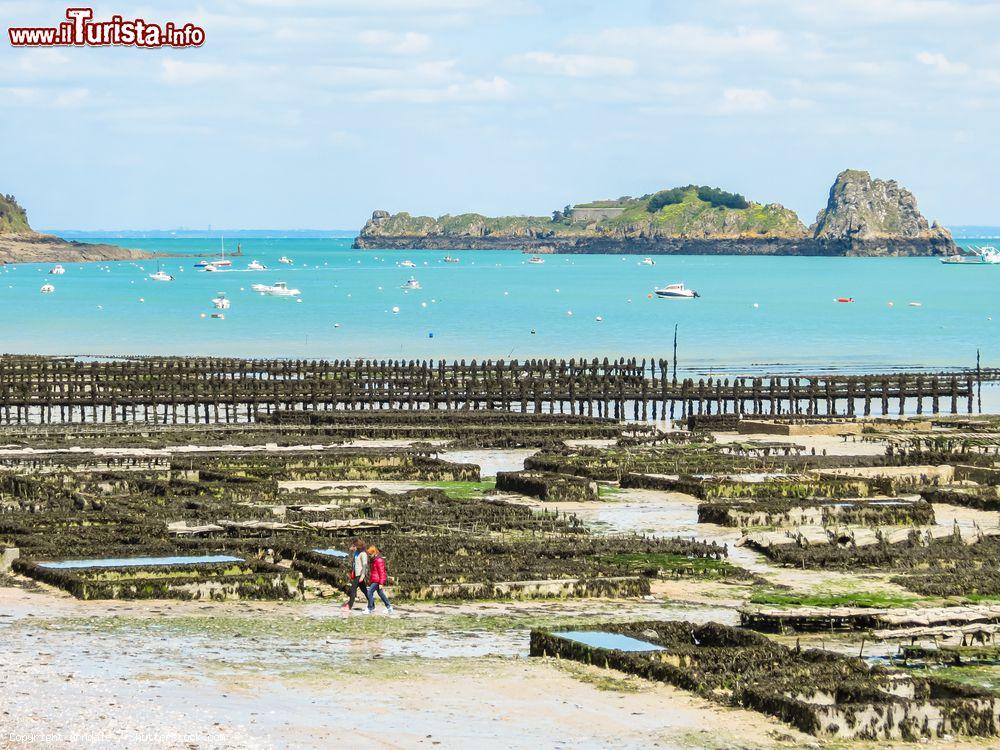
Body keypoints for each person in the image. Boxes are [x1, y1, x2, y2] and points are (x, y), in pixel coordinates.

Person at [341, 538, 369, 612]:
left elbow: (365, 566)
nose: (353, 547)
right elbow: (354, 563)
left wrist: (362, 576)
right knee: (364, 590)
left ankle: (349, 606)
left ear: (358, 546)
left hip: (360, 575)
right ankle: (372, 604)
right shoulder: (356, 552)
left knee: (352, 590)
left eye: (354, 546)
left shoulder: (363, 554)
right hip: (356, 574)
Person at [365, 545, 393, 615]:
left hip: (377, 580)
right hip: (375, 579)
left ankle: (370, 608)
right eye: (369, 554)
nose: (369, 555)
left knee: (369, 592)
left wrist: (381, 583)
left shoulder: (379, 560)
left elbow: (382, 573)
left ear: (374, 553)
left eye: (370, 554)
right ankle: (389, 607)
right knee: (381, 594)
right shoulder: (373, 560)